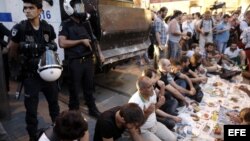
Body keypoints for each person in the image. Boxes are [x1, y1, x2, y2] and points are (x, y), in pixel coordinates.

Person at [7, 0, 60, 140]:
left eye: (31, 8)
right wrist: (19, 66)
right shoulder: (20, 28)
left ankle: (59, 132)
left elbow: (53, 45)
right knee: (31, 112)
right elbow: (12, 51)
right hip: (31, 77)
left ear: (40, 10)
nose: (27, 11)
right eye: (25, 8)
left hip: (48, 74)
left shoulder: (47, 27)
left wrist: (49, 47)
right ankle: (32, 137)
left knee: (55, 106)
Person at [58, 0, 101, 117]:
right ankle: (74, 114)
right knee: (74, 91)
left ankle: (92, 109)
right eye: (78, 7)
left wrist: (100, 54)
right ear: (70, 8)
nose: (81, 9)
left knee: (89, 88)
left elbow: (94, 40)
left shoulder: (85, 23)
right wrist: (81, 41)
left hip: (88, 61)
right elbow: (61, 43)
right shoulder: (65, 24)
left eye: (82, 7)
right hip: (75, 62)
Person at [128, 76, 177, 141]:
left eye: (152, 85)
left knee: (173, 139)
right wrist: (147, 113)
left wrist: (158, 105)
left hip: (154, 124)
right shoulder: (134, 103)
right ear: (141, 90)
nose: (152, 88)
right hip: (143, 130)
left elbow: (154, 109)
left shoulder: (152, 93)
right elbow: (136, 125)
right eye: (149, 87)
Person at [0, 23, 11, 91]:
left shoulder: (0, 26)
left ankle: (5, 90)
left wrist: (7, 47)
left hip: (1, 54)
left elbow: (11, 35)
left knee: (4, 73)